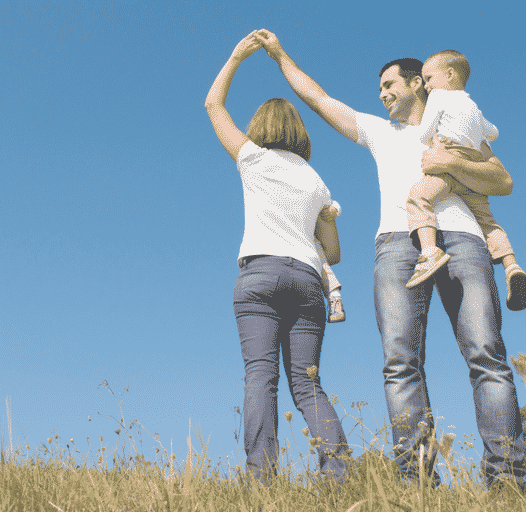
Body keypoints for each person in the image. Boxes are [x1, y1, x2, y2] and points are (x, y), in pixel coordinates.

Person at [254, 29, 526, 488]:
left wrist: (449, 163)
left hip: (463, 238)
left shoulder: (454, 125)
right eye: (379, 89)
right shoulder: (380, 132)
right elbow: (318, 98)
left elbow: (502, 180)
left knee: (487, 354)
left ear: (419, 82)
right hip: (398, 245)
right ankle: (417, 480)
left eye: (389, 85)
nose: (381, 94)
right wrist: (280, 54)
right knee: (401, 363)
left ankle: (508, 479)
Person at [205, 31, 350, 484]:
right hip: (307, 282)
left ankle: (261, 478)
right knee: (308, 384)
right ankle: (338, 475)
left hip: (261, 275)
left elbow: (213, 105)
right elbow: (336, 254)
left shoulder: (252, 158)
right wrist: (327, 218)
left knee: (260, 377)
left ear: (260, 128)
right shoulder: (316, 181)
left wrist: (236, 57)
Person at [405, 50, 526, 312]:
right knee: (487, 220)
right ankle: (511, 265)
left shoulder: (438, 97)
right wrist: (470, 132)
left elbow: (424, 133)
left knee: (419, 196)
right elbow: (493, 133)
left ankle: (429, 252)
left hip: (448, 156)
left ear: (449, 75)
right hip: (473, 163)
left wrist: (433, 141)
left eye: (429, 78)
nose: (427, 86)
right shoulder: (473, 106)